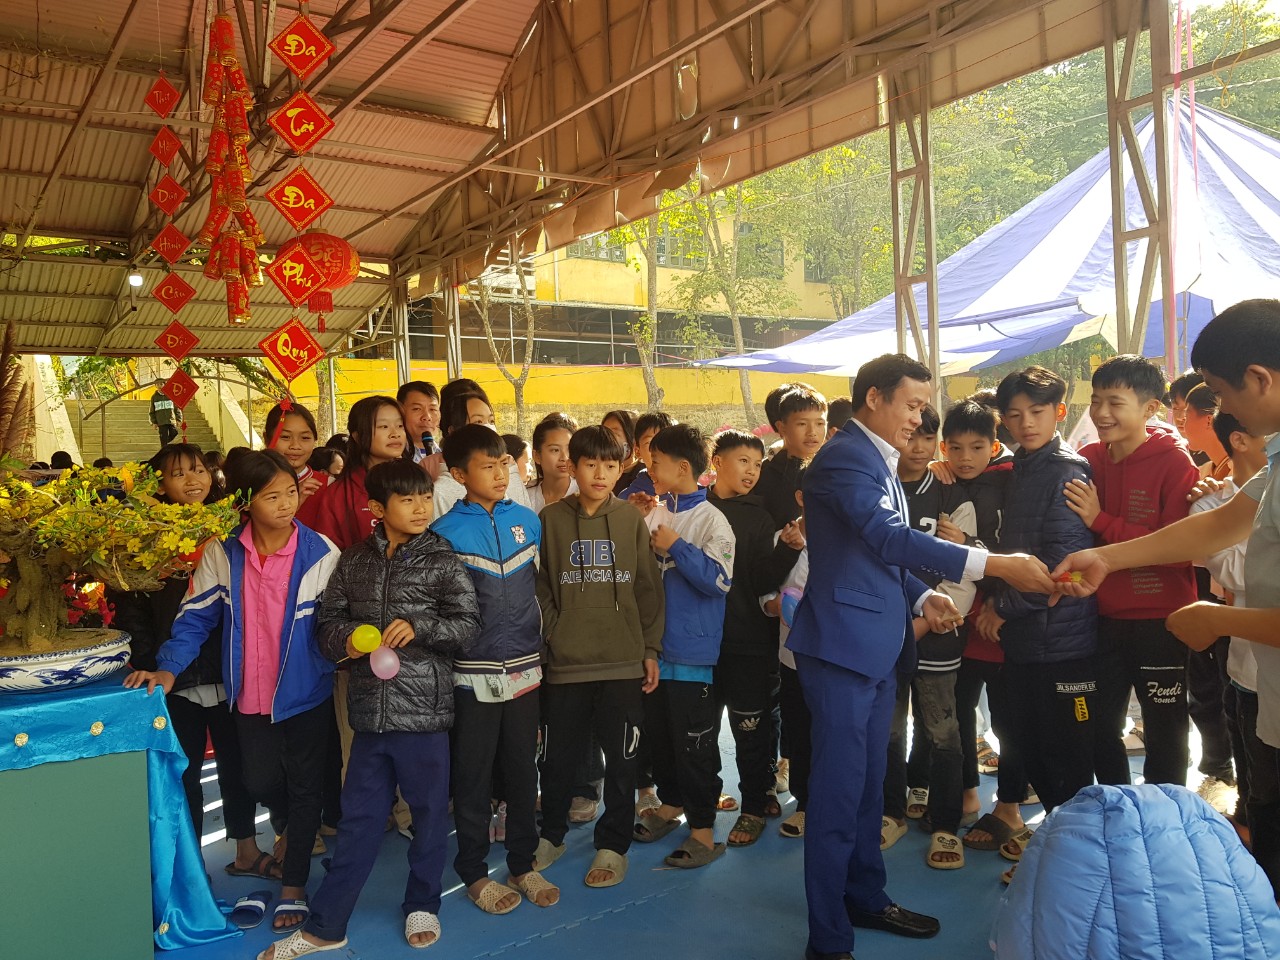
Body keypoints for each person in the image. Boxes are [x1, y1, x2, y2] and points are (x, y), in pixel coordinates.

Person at [786, 353, 1055, 960]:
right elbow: (886, 539)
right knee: (837, 797)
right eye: (911, 404)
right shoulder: (845, 458)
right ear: (874, 397)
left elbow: (874, 555)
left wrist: (921, 593)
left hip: (878, 645)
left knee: (866, 790)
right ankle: (828, 938)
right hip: (842, 649)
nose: (918, 418)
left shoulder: (877, 459)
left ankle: (866, 896)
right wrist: (994, 563)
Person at [1055, 298, 1280, 895]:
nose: (1218, 412)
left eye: (1218, 394)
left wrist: (1220, 619)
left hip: (1202, 639)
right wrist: (1106, 557)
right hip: (1267, 698)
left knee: (1169, 730)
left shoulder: (1176, 460)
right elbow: (1216, 525)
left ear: (1259, 378)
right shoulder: (1275, 465)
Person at [264, 459, 481, 959]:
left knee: (428, 816)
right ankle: (327, 925)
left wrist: (421, 628)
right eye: (407, 500)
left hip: (424, 715)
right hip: (369, 715)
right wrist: (347, 640)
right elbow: (327, 624)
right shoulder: (354, 561)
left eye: (424, 497)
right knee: (358, 820)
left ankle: (423, 903)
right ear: (377, 509)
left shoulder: (443, 559)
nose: (421, 508)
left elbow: (468, 624)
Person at [124, 450, 341, 933]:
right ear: (246, 502)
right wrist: (168, 670)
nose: (286, 504)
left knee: (306, 788)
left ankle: (294, 886)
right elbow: (194, 619)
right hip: (249, 696)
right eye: (272, 496)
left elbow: (338, 620)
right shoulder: (223, 554)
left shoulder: (322, 552)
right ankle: (290, 827)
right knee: (258, 782)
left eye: (291, 492)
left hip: (307, 694)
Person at [110, 444, 274, 879]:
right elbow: (130, 607)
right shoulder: (143, 537)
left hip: (228, 669)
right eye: (178, 473)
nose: (192, 480)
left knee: (237, 766)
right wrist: (148, 661)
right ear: (158, 484)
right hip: (174, 675)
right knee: (185, 772)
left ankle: (246, 850)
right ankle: (191, 869)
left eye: (199, 469)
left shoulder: (232, 527)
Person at [535, 425, 665, 887]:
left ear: (620, 468)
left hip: (623, 662)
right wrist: (556, 631)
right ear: (572, 466)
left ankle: (613, 844)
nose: (600, 474)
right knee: (557, 760)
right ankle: (551, 835)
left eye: (610, 465)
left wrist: (649, 649)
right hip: (566, 665)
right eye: (590, 464)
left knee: (623, 762)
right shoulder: (550, 519)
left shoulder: (630, 520)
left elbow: (647, 589)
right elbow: (540, 587)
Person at [431, 425, 553, 915]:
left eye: (504, 463)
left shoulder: (528, 520)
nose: (501, 474)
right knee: (473, 776)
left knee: (523, 771)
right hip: (470, 672)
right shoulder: (444, 533)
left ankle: (523, 863)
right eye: (488, 466)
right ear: (459, 475)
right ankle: (474, 871)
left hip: (525, 667)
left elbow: (541, 590)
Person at [1065, 355, 1199, 788]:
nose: (1101, 413)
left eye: (1115, 402)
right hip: (1099, 618)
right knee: (1097, 725)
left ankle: (1167, 814)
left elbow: (1178, 551)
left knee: (1165, 728)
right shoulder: (1085, 460)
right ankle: (1117, 805)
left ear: (1150, 408)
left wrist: (1102, 520)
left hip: (1161, 621)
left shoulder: (1175, 464)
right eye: (1096, 400)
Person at [631, 424, 735, 869]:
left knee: (695, 745)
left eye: (656, 463)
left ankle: (703, 830)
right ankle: (671, 804)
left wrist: (677, 547)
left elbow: (720, 581)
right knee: (661, 739)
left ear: (684, 467)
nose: (650, 470)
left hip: (693, 654)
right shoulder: (653, 513)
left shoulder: (713, 520)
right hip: (654, 653)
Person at [885, 404, 975, 870]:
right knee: (888, 731)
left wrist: (927, 619)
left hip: (938, 635)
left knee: (943, 732)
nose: (917, 448)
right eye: (910, 436)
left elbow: (965, 571)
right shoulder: (877, 490)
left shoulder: (951, 494)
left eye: (926, 438)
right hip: (883, 635)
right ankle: (891, 813)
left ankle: (945, 825)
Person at [706, 430, 803, 846]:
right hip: (700, 645)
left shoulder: (761, 517)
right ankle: (704, 800)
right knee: (702, 732)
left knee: (751, 729)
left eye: (757, 464)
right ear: (716, 462)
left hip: (749, 642)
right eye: (743, 461)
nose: (751, 471)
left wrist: (788, 550)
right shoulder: (694, 510)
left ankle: (754, 803)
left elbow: (762, 582)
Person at [1191, 409, 1267, 837]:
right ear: (1239, 440)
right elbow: (1238, 576)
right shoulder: (1210, 502)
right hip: (1248, 668)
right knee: (1259, 787)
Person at [297, 396, 410, 548]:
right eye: (384, 426)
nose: (395, 433)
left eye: (400, 425)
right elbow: (329, 550)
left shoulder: (415, 480)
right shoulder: (339, 494)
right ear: (358, 436)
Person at [756, 384, 828, 530]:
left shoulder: (830, 467)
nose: (812, 432)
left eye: (820, 423)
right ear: (781, 427)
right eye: (802, 424)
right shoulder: (765, 475)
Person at [265, 403, 328, 509]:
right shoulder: (252, 484)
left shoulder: (329, 486)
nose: (295, 446)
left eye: (305, 438)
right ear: (266, 439)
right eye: (285, 437)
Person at [525, 413, 579, 512]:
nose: (564, 457)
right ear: (537, 456)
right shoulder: (525, 496)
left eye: (569, 449)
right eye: (555, 450)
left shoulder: (584, 493)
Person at [618, 411, 674, 500]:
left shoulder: (691, 489)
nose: (660, 449)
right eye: (650, 443)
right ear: (637, 451)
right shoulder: (629, 498)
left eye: (668, 442)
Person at [397, 380, 442, 465]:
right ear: (399, 411)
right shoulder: (395, 457)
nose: (427, 417)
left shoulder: (446, 455)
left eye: (433, 409)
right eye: (417, 409)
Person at [602, 409, 642, 494]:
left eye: (614, 434)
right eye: (604, 433)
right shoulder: (596, 472)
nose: (606, 439)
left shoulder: (644, 477)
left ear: (634, 439)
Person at [150, 380, 182, 446]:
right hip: (161, 421)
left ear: (164, 385)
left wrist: (179, 419)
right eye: (157, 384)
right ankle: (164, 447)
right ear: (155, 386)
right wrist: (154, 422)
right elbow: (152, 411)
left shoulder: (171, 395)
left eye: (161, 384)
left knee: (174, 432)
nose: (159, 386)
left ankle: (165, 443)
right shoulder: (154, 397)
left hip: (171, 420)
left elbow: (176, 408)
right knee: (163, 437)